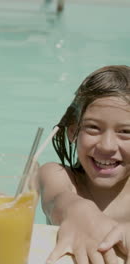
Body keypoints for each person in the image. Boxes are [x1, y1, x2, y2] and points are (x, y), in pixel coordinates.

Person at [40, 65, 130, 264]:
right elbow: (58, 200)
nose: (107, 146)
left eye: (125, 132)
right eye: (93, 128)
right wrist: (80, 211)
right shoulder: (58, 175)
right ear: (73, 132)